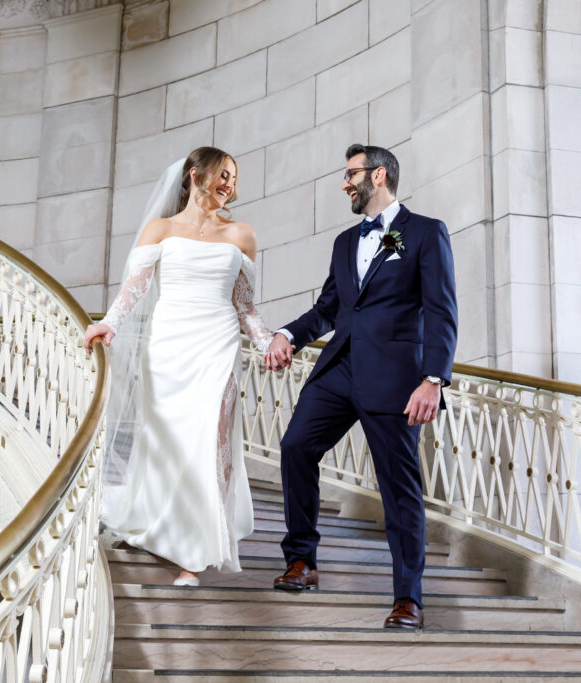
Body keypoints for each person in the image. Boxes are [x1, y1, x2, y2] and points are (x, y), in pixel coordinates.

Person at [265, 143, 458, 630]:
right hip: (339, 370)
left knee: (399, 488)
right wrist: (288, 333)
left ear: (379, 176)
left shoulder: (426, 233)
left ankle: (408, 598)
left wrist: (433, 379)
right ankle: (302, 559)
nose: (344, 183)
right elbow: (330, 308)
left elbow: (440, 311)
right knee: (295, 447)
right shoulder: (345, 243)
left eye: (351, 174)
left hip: (396, 378)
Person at [84, 147, 273, 586]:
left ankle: (196, 552)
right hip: (169, 347)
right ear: (195, 174)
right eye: (224, 174)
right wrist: (109, 324)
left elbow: (245, 307)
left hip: (217, 345)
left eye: (234, 178)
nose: (231, 185)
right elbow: (135, 288)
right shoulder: (161, 229)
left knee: (210, 436)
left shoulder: (242, 234)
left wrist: (268, 344)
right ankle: (159, 522)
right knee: (167, 441)